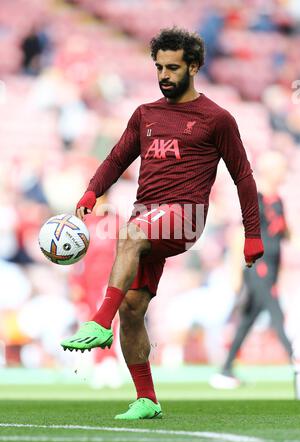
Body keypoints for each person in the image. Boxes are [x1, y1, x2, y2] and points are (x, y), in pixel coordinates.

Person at [61, 27, 264, 419]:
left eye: (173, 67)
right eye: (159, 67)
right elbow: (117, 158)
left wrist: (251, 234)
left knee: (130, 234)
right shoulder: (145, 114)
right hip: (148, 214)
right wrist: (92, 191)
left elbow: (244, 176)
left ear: (194, 66)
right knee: (133, 308)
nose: (164, 75)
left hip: (185, 216)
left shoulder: (217, 119)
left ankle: (99, 321)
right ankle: (147, 399)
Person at [210, 151, 294, 390]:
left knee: (248, 320)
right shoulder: (255, 198)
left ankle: (225, 370)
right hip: (258, 267)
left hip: (273, 268)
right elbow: (240, 233)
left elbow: (284, 233)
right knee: (277, 313)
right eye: (279, 167)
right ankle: (295, 362)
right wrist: (235, 272)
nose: (284, 172)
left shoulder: (277, 200)